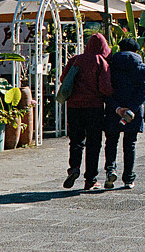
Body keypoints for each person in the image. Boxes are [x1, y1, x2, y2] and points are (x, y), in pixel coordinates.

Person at [60, 33, 112, 190]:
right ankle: (91, 179)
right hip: (94, 107)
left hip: (74, 107)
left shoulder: (75, 59)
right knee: (93, 144)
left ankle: (74, 167)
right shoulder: (100, 61)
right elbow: (105, 87)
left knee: (76, 141)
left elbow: (64, 78)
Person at [104, 38, 145, 190]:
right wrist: (131, 108)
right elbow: (144, 90)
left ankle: (110, 170)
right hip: (133, 113)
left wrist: (117, 108)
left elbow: (105, 88)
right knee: (129, 144)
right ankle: (128, 179)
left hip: (114, 111)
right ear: (136, 51)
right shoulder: (141, 67)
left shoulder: (110, 66)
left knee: (111, 142)